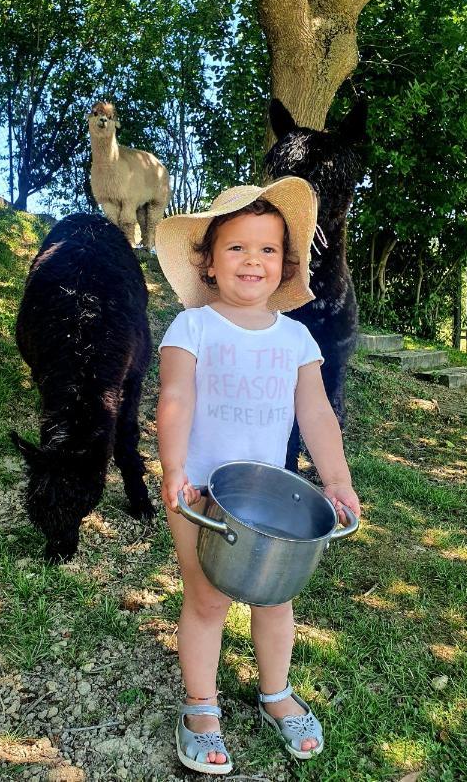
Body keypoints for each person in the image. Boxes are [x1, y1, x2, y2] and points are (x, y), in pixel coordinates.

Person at [155, 177, 361, 775]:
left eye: (268, 249)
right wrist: (173, 471)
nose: (253, 260)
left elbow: (316, 414)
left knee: (277, 599)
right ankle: (200, 707)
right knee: (206, 598)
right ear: (209, 262)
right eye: (237, 247)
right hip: (199, 491)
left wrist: (338, 481)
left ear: (285, 265)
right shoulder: (191, 327)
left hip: (272, 496)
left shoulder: (296, 337)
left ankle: (277, 694)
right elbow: (175, 399)